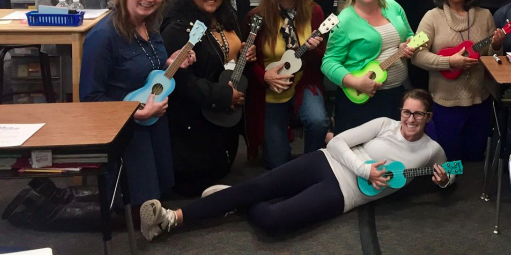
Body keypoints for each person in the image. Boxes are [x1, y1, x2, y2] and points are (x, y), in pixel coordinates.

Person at [139, 89, 452, 242]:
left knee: (274, 222)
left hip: (344, 195)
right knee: (255, 186)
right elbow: (337, 142)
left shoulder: (432, 150)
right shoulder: (385, 124)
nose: (410, 120)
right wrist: (365, 169)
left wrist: (444, 181)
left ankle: (237, 200)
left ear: (429, 117)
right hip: (325, 161)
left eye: (418, 115)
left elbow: (449, 174)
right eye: (406, 113)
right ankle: (172, 217)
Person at [79, 0, 195, 206]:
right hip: (126, 132)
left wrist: (170, 64)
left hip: (154, 124)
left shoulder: (150, 27)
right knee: (139, 204)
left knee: (159, 196)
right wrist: (135, 114)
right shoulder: (103, 36)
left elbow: (146, 76)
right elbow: (90, 99)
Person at [160, 0, 255, 196]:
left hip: (222, 118)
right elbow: (182, 83)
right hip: (194, 124)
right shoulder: (178, 29)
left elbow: (224, 56)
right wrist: (223, 95)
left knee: (221, 172)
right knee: (199, 182)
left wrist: (242, 53)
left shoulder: (227, 18)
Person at [412, 0, 504, 161]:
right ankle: (451, 190)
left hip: (480, 101)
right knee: (449, 157)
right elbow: (417, 55)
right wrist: (448, 63)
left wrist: (496, 46)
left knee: (475, 157)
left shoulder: (485, 15)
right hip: (445, 104)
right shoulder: (432, 17)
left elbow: (493, 60)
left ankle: (476, 191)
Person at [245, 0, 330, 168]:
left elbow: (324, 60)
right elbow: (246, 62)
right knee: (277, 163)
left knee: (318, 121)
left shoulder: (315, 13)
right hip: (270, 89)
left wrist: (311, 50)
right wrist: (264, 76)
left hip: (304, 81)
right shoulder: (257, 17)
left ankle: (313, 165)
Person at [322, 0, 416, 134]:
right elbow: (328, 62)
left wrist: (409, 45)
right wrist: (356, 82)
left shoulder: (394, 7)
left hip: (397, 95)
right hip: (361, 101)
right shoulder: (344, 19)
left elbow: (410, 35)